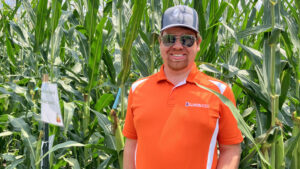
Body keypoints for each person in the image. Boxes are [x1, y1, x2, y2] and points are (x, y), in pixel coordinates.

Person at [122, 5, 243, 169]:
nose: (178, 46)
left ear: (198, 43)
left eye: (187, 40)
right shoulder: (138, 89)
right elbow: (131, 145)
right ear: (160, 42)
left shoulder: (219, 92)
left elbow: (231, 149)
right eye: (169, 39)